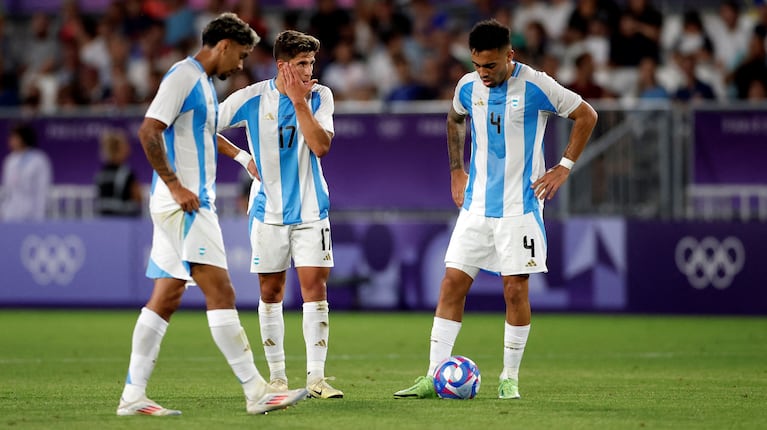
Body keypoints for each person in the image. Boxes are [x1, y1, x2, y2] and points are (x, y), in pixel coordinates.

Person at [393, 19, 597, 400]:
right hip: (476, 207)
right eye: (477, 65)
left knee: (514, 290)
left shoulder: (538, 85)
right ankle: (432, 375)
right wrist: (456, 170)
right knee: (452, 284)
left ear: (510, 55)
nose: (483, 74)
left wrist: (563, 167)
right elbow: (454, 119)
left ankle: (509, 378)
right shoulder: (467, 87)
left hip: (520, 208)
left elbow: (587, 115)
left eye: (491, 65)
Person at [116, 13, 306, 417]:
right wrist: (176, 186)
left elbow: (204, 132)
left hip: (183, 203)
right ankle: (257, 390)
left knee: (165, 297)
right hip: (185, 205)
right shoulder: (183, 77)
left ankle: (133, 395)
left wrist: (240, 156)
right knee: (221, 291)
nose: (240, 65)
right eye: (239, 55)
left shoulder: (200, 85)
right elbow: (149, 130)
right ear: (221, 45)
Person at [217, 29, 343, 399]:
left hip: (311, 210)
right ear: (283, 65)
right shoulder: (251, 98)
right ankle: (277, 378)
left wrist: (300, 102)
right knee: (270, 292)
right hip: (267, 212)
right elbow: (201, 124)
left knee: (314, 290)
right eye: (302, 64)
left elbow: (320, 147)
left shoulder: (320, 96)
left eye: (311, 63)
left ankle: (317, 378)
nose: (309, 70)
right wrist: (242, 157)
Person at [0, 123, 52, 221]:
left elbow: (42, 189)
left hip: (32, 210)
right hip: (11, 212)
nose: (10, 141)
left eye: (14, 138)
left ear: (22, 139)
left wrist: (39, 215)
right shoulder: (10, 160)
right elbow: (7, 189)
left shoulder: (39, 159)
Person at [93, 128, 142, 217]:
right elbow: (138, 198)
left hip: (103, 221)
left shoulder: (101, 174)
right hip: (124, 221)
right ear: (120, 149)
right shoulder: (127, 174)